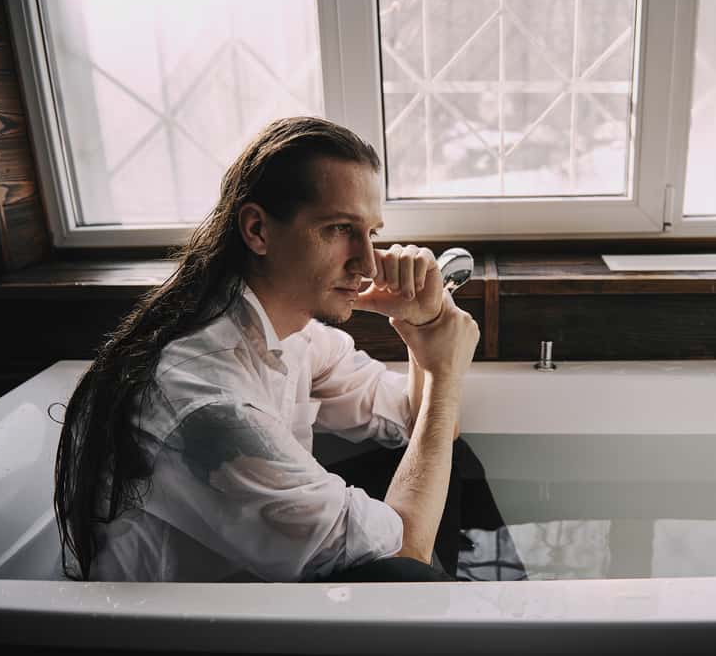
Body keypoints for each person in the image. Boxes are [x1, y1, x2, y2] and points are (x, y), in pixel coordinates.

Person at [54, 116, 501, 583]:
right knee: (411, 576)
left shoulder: (289, 334)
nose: (367, 263)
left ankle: (481, 620)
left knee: (446, 464)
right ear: (257, 230)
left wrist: (421, 325)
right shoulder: (206, 407)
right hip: (182, 631)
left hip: (252, 595)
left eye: (369, 233)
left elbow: (422, 423)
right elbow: (406, 555)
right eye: (338, 229)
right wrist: (444, 373)